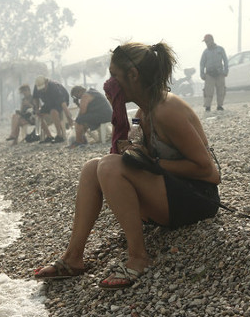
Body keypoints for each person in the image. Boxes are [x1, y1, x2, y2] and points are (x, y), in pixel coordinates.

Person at [33, 41, 222, 289]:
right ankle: (73, 257)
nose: (109, 83)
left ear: (132, 75)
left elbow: (210, 173)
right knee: (93, 166)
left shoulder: (167, 109)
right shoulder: (143, 113)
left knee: (110, 166)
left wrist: (153, 162)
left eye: (114, 76)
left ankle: (138, 257)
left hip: (197, 200)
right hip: (170, 194)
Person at [33, 76, 74, 143]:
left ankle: (59, 135)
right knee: (38, 116)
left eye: (43, 88)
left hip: (59, 102)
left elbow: (63, 103)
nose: (42, 90)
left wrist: (69, 117)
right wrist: (37, 109)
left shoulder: (54, 87)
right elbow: (35, 98)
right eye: (41, 89)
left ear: (46, 82)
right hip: (48, 103)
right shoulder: (37, 86)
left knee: (53, 111)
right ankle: (49, 136)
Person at [199, 34, 229, 112]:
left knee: (221, 90)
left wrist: (226, 71)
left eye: (207, 41)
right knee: (208, 91)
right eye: (205, 42)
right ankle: (207, 107)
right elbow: (202, 63)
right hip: (209, 75)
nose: (206, 43)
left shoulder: (220, 49)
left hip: (220, 73)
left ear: (212, 40)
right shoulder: (205, 52)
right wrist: (202, 74)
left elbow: (225, 60)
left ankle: (220, 106)